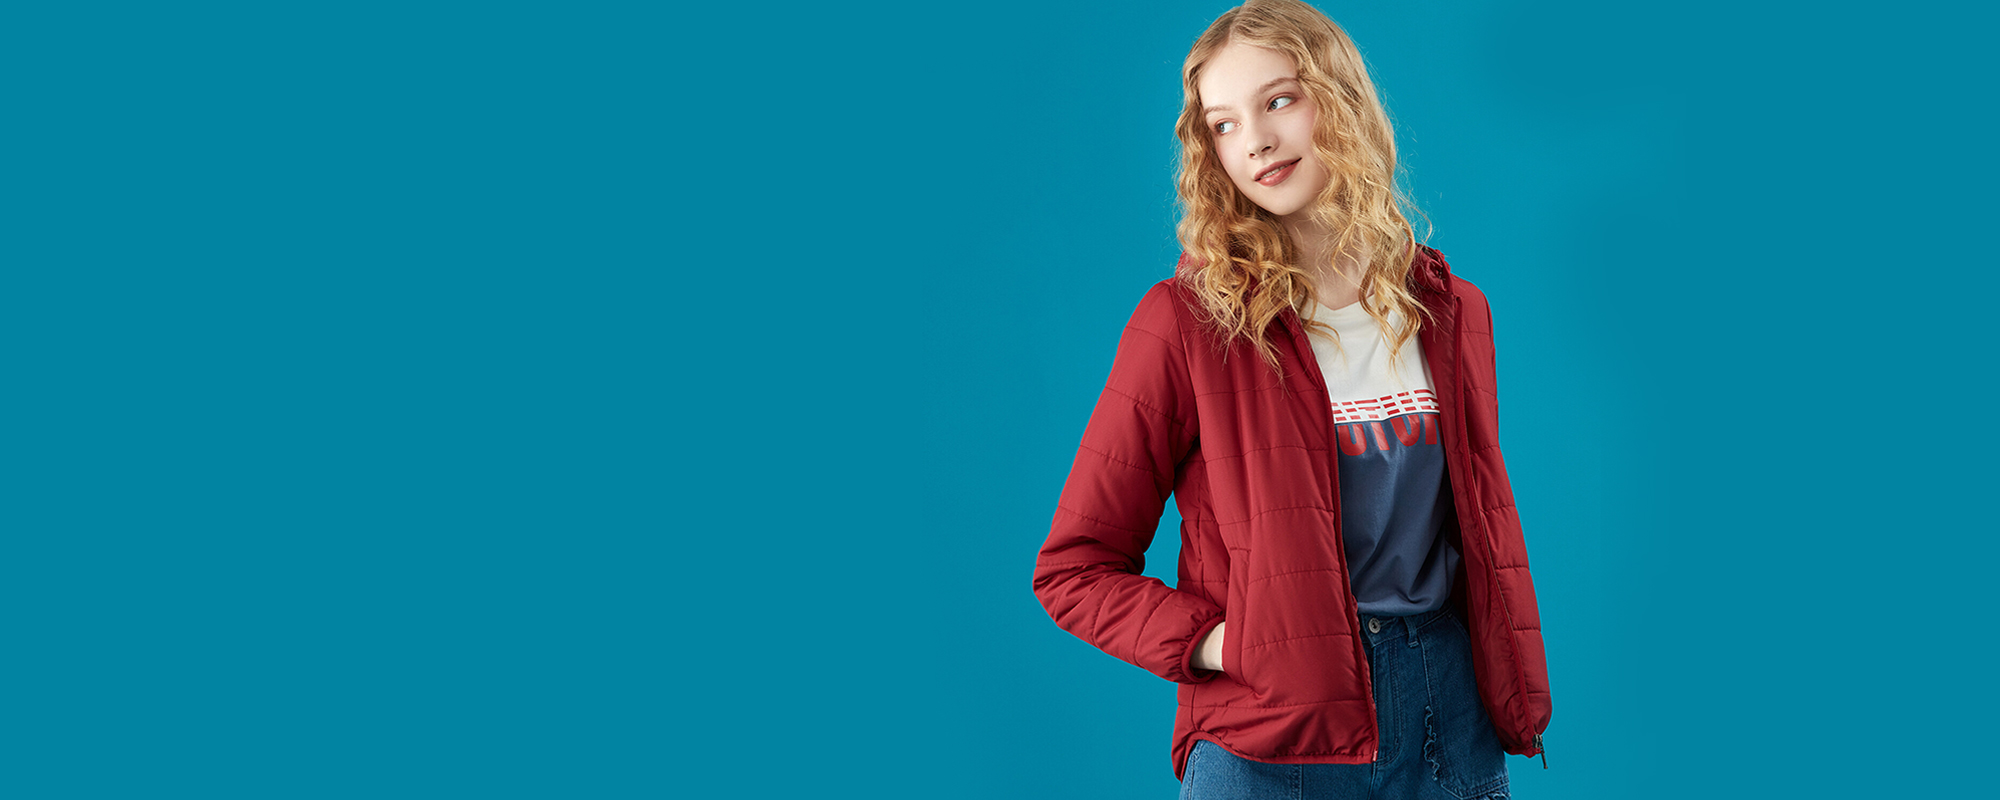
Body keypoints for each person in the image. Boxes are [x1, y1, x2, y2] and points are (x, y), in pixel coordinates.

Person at [1030, 1, 1551, 797]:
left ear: (1340, 100)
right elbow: (1073, 568)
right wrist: (1223, 644)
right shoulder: (1188, 324)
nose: (1257, 141)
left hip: (1449, 724)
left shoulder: (1452, 311)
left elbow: (1475, 531)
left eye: (1278, 100)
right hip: (1270, 745)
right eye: (1224, 124)